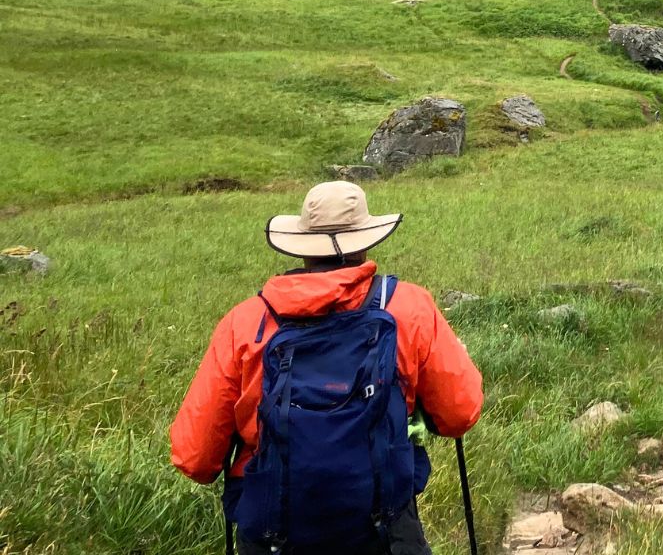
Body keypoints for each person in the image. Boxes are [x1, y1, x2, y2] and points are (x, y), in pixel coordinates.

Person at [171, 182, 483, 555]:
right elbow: (459, 414)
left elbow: (194, 458)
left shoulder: (245, 323)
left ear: (303, 245)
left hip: (273, 535)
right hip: (384, 530)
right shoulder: (409, 308)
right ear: (365, 241)